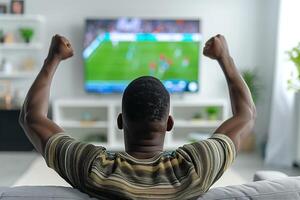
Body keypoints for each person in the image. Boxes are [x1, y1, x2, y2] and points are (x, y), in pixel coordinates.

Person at [19, 34, 256, 200]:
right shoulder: (197, 166)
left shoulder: (94, 169)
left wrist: (53, 59)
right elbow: (246, 114)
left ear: (120, 122)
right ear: (170, 123)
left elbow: (31, 117)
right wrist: (225, 57)